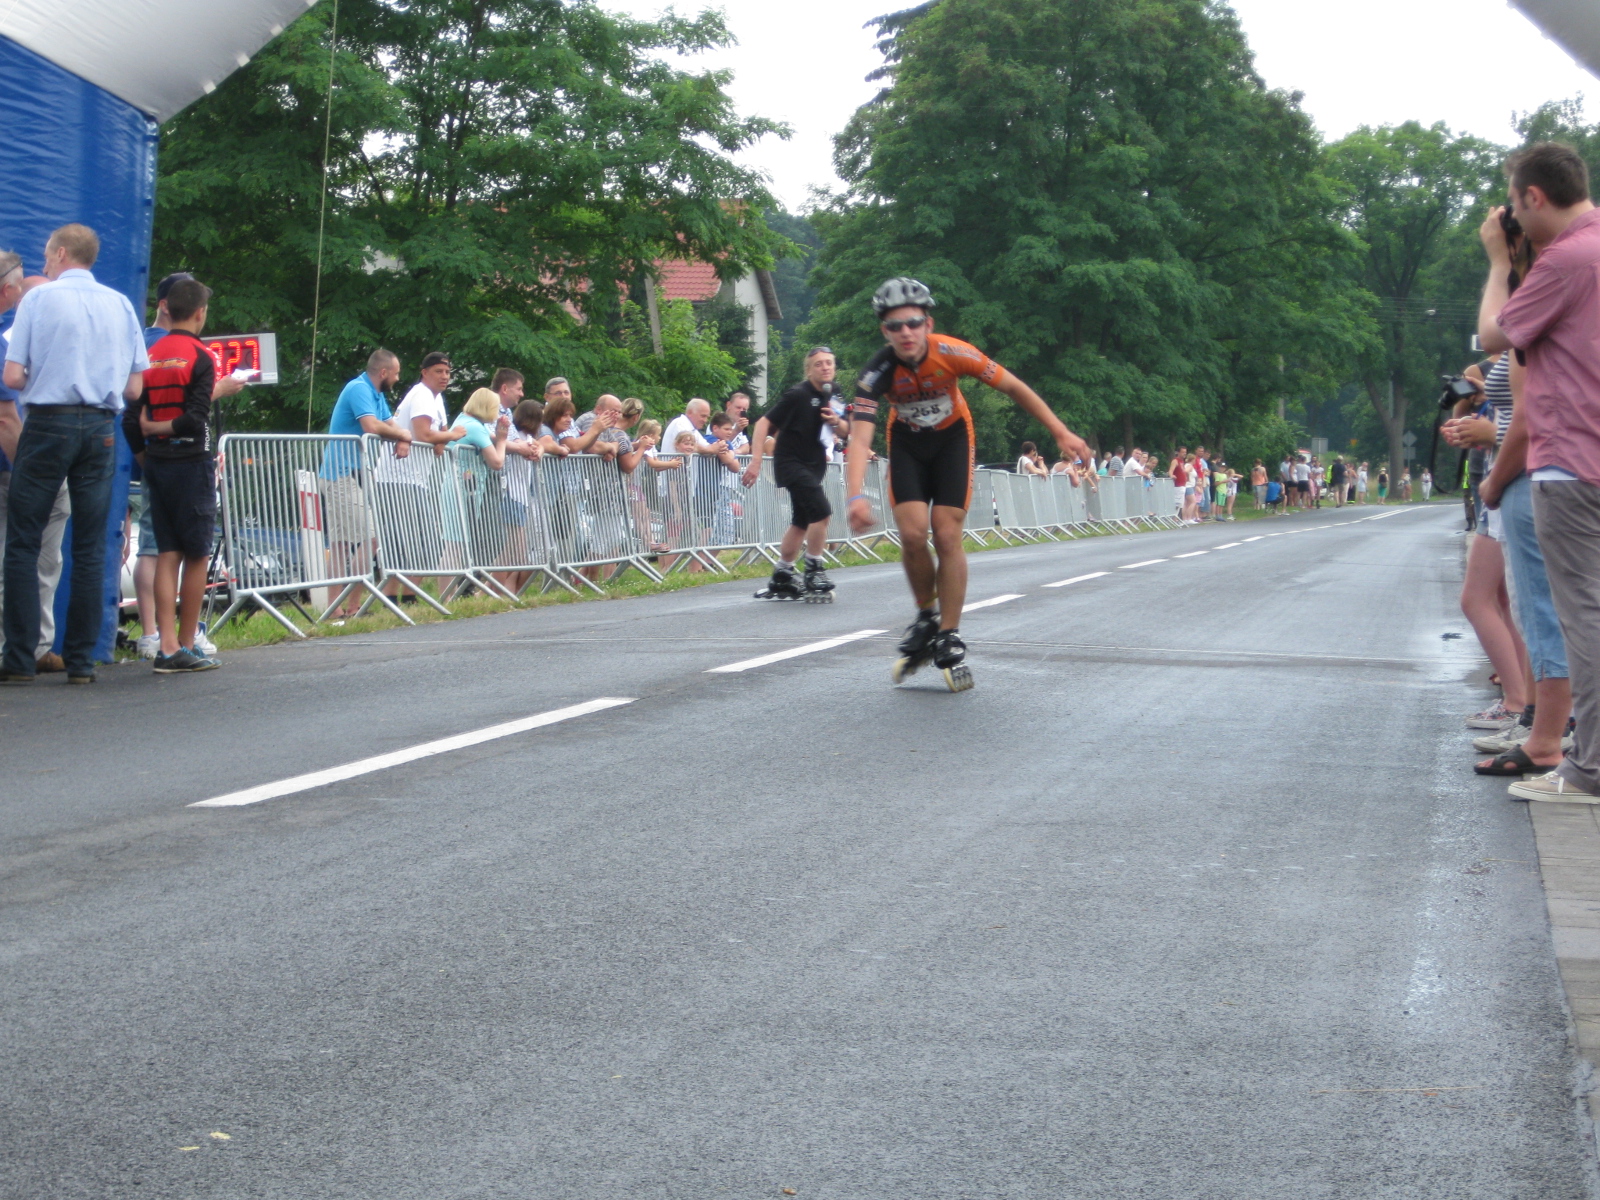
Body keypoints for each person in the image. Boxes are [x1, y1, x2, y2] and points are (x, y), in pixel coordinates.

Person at [844, 276, 1091, 691]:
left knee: (945, 533)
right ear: (883, 332)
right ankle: (926, 617)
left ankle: (950, 631)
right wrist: (853, 494)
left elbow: (1014, 387)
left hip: (953, 439)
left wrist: (1060, 432)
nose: (905, 332)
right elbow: (860, 437)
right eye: (894, 326)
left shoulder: (955, 353)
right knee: (909, 533)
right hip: (906, 442)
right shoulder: (875, 375)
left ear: (928, 323)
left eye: (913, 323)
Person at [1477, 140, 1600, 801]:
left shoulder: (1566, 260)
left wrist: (1500, 260)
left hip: (1572, 459)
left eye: (1517, 210)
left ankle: (1586, 768)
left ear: (1533, 196)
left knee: (1581, 616)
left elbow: (1496, 335)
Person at [1, 225, 148, 684]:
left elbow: (13, 376)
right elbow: (134, 386)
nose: (42, 267)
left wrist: (49, 374)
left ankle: (20, 657)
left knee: (23, 541)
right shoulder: (121, 305)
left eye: (46, 258)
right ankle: (81, 662)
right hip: (101, 428)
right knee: (88, 546)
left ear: (62, 253)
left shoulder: (38, 301)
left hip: (48, 423)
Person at [120, 277, 222, 672]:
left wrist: (147, 457)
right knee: (196, 553)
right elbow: (196, 418)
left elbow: (131, 419)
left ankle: (163, 646)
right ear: (199, 313)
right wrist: (163, 430)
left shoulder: (151, 354)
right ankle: (186, 641)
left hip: (158, 466)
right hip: (191, 462)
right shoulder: (202, 356)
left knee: (166, 553)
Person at [0, 255, 70, 673]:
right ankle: (27, 645)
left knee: (36, 555)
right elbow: (7, 420)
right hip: (15, 468)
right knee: (35, 554)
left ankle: (31, 643)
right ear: (13, 291)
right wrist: (30, 474)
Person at [743, 346, 847, 601]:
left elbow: (846, 430)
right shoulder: (798, 394)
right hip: (790, 462)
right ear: (809, 369)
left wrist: (836, 421)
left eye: (829, 363)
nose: (825, 368)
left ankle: (783, 575)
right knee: (821, 511)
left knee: (802, 520)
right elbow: (763, 423)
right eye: (819, 364)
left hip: (815, 463)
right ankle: (814, 568)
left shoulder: (835, 393)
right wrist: (756, 461)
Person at [317, 349, 412, 617]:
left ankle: (336, 610)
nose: (397, 377)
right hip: (341, 473)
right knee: (370, 538)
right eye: (396, 373)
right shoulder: (359, 388)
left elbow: (390, 425)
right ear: (383, 373)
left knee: (340, 545)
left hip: (350, 474)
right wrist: (401, 433)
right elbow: (372, 426)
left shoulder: (377, 394)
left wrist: (403, 436)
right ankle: (350, 606)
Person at [371, 351, 460, 577]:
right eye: (438, 371)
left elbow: (437, 442)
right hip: (397, 477)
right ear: (424, 373)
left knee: (420, 545)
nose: (444, 376)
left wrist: (442, 436)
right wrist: (453, 434)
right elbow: (424, 436)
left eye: (448, 372)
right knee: (413, 545)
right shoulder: (421, 394)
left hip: (413, 478)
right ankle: (392, 597)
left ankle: (407, 597)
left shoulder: (436, 398)